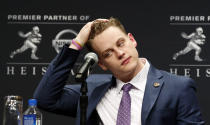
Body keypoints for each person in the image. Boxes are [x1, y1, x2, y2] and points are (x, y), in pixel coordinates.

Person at [33, 17, 205, 125]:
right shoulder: (92, 90)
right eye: (108, 53)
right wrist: (77, 43)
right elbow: (44, 99)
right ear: (102, 64)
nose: (120, 53)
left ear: (132, 40)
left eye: (120, 43)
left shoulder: (177, 87)